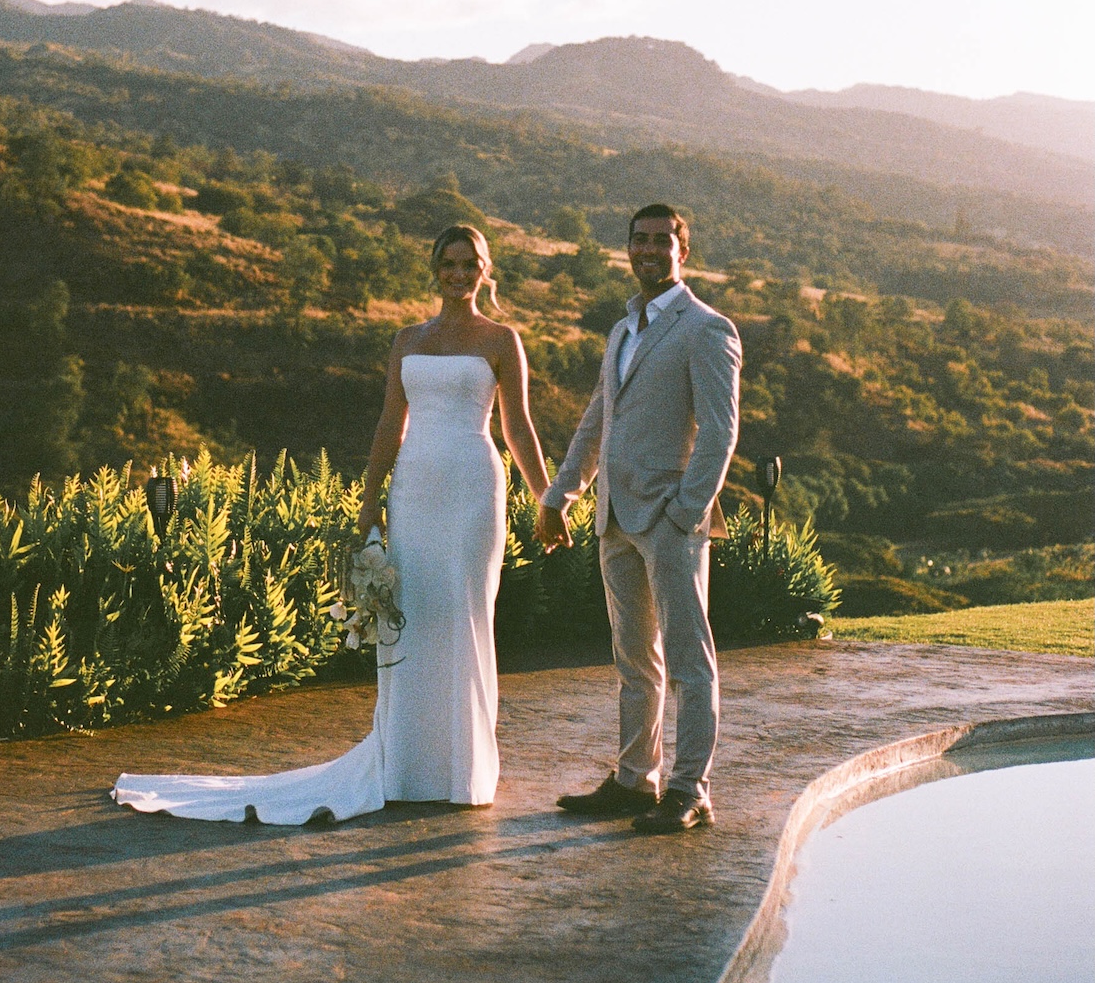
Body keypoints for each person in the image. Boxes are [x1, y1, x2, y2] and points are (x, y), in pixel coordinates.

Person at [112, 224, 552, 826]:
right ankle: (406, 767)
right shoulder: (406, 340)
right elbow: (387, 424)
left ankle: (463, 769)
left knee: (467, 612)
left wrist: (547, 499)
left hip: (475, 489)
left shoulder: (502, 340)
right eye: (447, 262)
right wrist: (369, 502)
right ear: (434, 268)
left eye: (468, 263)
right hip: (417, 489)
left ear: (485, 269)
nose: (457, 273)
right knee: (414, 614)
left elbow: (518, 427)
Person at [536, 203, 741, 835]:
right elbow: (598, 418)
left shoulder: (706, 328)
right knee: (634, 661)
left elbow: (720, 431)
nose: (649, 250)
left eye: (662, 241)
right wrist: (560, 495)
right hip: (614, 520)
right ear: (627, 248)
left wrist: (686, 512)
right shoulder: (623, 330)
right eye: (639, 240)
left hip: (669, 521)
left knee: (689, 660)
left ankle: (690, 790)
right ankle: (634, 781)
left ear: (684, 251)